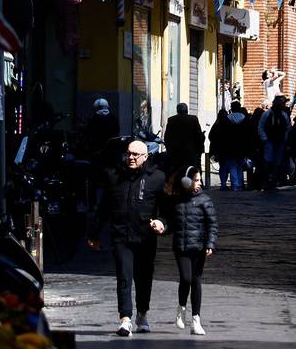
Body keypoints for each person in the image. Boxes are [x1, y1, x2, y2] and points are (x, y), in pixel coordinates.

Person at [88, 140, 168, 337]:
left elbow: (167, 210)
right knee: (124, 277)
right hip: (121, 235)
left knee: (144, 278)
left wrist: (162, 222)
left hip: (146, 237)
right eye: (129, 154)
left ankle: (142, 314)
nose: (131, 158)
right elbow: (104, 207)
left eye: (136, 154)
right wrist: (94, 233)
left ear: (145, 156)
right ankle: (125, 319)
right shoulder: (115, 176)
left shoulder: (157, 178)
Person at [165, 164, 219, 336]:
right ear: (186, 181)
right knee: (185, 278)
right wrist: (162, 228)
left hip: (199, 247)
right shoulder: (175, 201)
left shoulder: (205, 200)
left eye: (199, 179)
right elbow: (171, 224)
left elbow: (212, 224)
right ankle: (181, 308)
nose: (199, 183)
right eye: (195, 180)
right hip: (181, 246)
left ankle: (196, 320)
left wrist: (210, 244)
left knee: (196, 281)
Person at [211, 101, 251, 190]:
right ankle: (240, 184)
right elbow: (248, 135)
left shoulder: (225, 120)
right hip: (242, 147)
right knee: (240, 166)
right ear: (239, 108)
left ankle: (235, 185)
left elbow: (221, 135)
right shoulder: (246, 119)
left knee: (232, 166)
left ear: (231, 109)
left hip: (229, 147)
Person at [165, 102, 205, 187]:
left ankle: (176, 185)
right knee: (193, 169)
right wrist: (200, 148)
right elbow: (198, 135)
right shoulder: (193, 119)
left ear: (177, 110)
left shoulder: (171, 120)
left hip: (176, 152)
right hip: (191, 151)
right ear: (187, 110)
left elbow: (167, 137)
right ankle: (196, 185)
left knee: (176, 170)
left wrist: (169, 149)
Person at [257, 96, 292, 191]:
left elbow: (288, 128)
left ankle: (273, 182)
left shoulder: (283, 115)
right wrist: (264, 139)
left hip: (280, 141)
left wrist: (285, 139)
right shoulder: (267, 114)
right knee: (268, 161)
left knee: (277, 162)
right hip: (270, 141)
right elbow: (261, 126)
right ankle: (267, 182)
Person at [85, 97, 122, 176]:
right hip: (113, 151)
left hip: (98, 151)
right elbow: (117, 131)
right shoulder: (113, 118)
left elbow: (89, 134)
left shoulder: (93, 119)